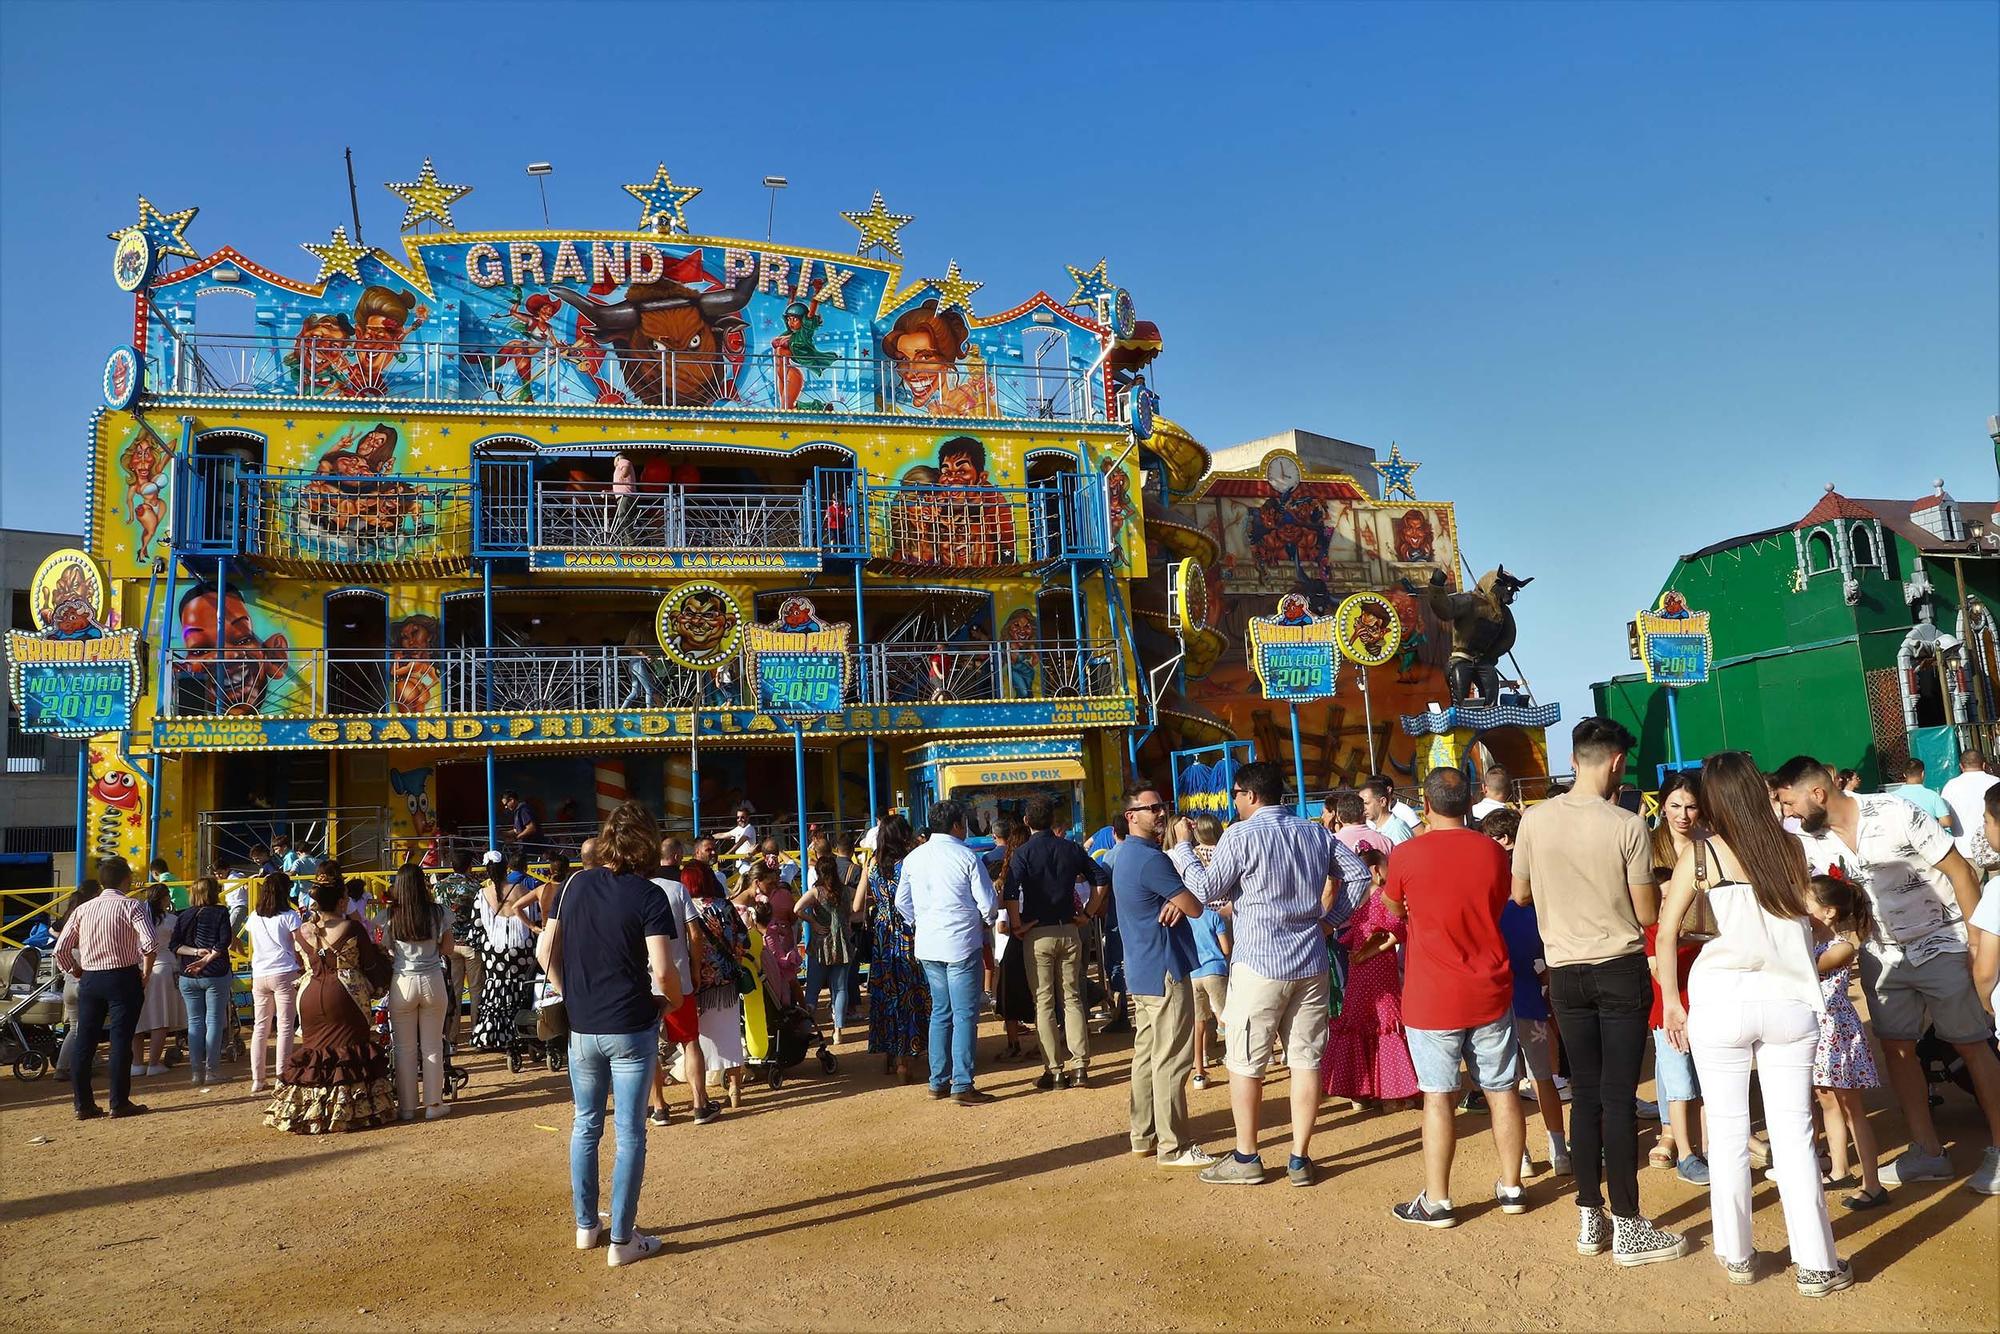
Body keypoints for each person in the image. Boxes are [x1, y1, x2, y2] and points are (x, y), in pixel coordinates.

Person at [1658, 751, 1852, 1297]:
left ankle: (1737, 1253)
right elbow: (1811, 922)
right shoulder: (1789, 849)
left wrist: (1673, 1002)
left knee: (1726, 1132)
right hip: (1789, 1001)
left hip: (1719, 1004)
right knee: (1793, 1134)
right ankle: (1818, 1264)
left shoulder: (1699, 858)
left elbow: (1668, 932)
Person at [1773, 756, 2000, 1194]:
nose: (1789, 813)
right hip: (1880, 954)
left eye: (1789, 802)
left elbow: (1959, 872)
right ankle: (1927, 1151)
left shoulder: (1896, 813)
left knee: (1971, 1044)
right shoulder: (1809, 841)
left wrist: (1974, 943)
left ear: (1817, 793)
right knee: (1897, 1049)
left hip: (1943, 943)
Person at [1512, 718, 1687, 1265]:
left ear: (1574, 758)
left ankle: (1592, 1217)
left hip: (1565, 972)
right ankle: (1630, 1224)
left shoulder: (1534, 822)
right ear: (1615, 762)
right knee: (1616, 1098)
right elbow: (1646, 911)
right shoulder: (1626, 825)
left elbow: (1519, 893)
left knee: (1584, 1096)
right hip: (1618, 968)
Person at [1171, 760, 1368, 1187]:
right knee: (1304, 1061)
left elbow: (1206, 892)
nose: (1234, 803)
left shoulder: (1240, 835)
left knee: (1246, 1062)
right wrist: (1331, 920)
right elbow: (1357, 875)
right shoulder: (1313, 831)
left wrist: (1183, 849)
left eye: (1237, 795)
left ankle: (1247, 1156)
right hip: (1310, 960)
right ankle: (1300, 1158)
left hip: (1258, 962)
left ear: (1251, 795)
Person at [538, 801, 682, 1266]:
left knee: (585, 1125)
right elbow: (662, 971)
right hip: (632, 1026)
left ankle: (586, 1226)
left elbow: (546, 950)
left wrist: (567, 993)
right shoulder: (650, 895)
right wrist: (674, 1001)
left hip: (584, 1027)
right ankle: (622, 1239)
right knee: (630, 1134)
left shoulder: (574, 885)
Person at [1386, 768, 1527, 1229]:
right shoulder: (1491, 851)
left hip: (1432, 996)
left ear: (1425, 804)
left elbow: (1391, 907)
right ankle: (1511, 1186)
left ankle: (1439, 1200)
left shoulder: (1406, 854)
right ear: (1468, 802)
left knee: (1439, 1098)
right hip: (1489, 987)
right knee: (1502, 1090)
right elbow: (1505, 899)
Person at [1112, 788, 1210, 1168]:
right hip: (1165, 968)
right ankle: (1174, 1146)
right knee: (1171, 1059)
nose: (1160, 813)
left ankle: (1144, 1135)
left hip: (1142, 968)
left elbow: (1181, 904)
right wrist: (1179, 896)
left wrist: (1175, 900)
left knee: (1147, 1056)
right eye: (1151, 808)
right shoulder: (1152, 860)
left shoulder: (1125, 855)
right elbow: (1197, 906)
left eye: (1160, 806)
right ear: (1131, 815)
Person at [265, 874, 397, 1133]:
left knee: (315, 1051)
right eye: (346, 899)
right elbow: (369, 963)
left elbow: (304, 963)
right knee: (350, 1048)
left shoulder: (303, 931)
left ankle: (308, 1112)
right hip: (346, 994)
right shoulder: (351, 929)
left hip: (310, 994)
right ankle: (351, 1111)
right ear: (339, 902)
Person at [896, 799, 1004, 1104]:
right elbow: (987, 903)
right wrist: (986, 920)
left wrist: (921, 921)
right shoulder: (966, 856)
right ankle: (962, 1083)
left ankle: (938, 1080)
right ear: (957, 825)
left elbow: (901, 903)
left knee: (941, 1013)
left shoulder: (914, 858)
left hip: (929, 945)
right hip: (961, 943)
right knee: (965, 1014)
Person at [1002, 794, 1110, 1090]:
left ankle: (1054, 1069)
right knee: (1073, 998)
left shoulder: (1023, 853)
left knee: (1044, 1002)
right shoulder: (1071, 848)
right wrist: (1087, 913)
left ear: (1026, 821)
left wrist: (1017, 925)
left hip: (1037, 932)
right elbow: (1100, 878)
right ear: (1052, 820)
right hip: (1069, 928)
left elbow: (1010, 891)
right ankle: (1080, 1066)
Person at [1487, 807, 1570, 1176]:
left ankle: (1520, 1156)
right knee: (1541, 1076)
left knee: (1504, 1083)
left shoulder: (1491, 897)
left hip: (1498, 996)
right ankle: (1559, 1150)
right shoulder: (1538, 890)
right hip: (1529, 993)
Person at [1806, 873, 1885, 1209]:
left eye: (1806, 903)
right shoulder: (1810, 940)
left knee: (1851, 1107)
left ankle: (1873, 1183)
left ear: (1829, 912)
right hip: (1818, 1029)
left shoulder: (1842, 946)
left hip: (1836, 1031)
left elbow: (1809, 968)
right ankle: (1840, 1168)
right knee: (1826, 1100)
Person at [55, 857, 156, 1119]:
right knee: (120, 1041)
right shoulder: (132, 906)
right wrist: (145, 972)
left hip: (90, 979)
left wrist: (75, 971)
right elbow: (150, 943)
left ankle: (83, 1104)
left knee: (84, 1042)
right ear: (126, 879)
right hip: (123, 977)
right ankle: (118, 1101)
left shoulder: (83, 909)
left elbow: (60, 949)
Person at [1643, 773, 1708, 1182]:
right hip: (1664, 950)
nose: (1683, 814)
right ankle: (1673, 1134)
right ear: (1662, 805)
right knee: (1673, 1045)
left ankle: (1686, 1136)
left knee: (1694, 1050)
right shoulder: (1649, 847)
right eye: (1675, 805)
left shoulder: (1709, 843)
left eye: (1691, 806)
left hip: (1704, 947)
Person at [1321, 847, 1419, 1108]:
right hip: (1379, 970)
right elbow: (1396, 932)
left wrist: (1360, 954)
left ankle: (1358, 1091)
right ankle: (1392, 1093)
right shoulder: (1384, 899)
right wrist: (1371, 952)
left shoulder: (1353, 902)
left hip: (1358, 969)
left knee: (1356, 1020)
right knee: (1385, 1022)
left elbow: (1352, 934)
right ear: (1376, 871)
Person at [862, 814, 930, 1081]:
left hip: (882, 936)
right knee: (911, 992)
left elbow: (857, 906)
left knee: (887, 992)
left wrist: (878, 900)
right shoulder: (909, 864)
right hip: (907, 934)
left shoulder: (873, 866)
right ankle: (909, 1056)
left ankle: (893, 1055)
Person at [685, 837, 750, 1112]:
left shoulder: (686, 908)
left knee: (698, 1039)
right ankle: (734, 1087)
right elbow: (744, 939)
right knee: (730, 1034)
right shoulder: (725, 906)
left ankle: (700, 1091)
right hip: (727, 981)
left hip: (699, 982)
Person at [386, 865, 454, 1122]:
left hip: (402, 982)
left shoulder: (391, 915)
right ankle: (434, 1104)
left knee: (403, 1048)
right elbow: (447, 947)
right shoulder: (438, 913)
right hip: (432, 979)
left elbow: (387, 949)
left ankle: (406, 1107)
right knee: (432, 1045)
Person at [170, 875, 236, 1089]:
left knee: (195, 1022)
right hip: (215, 972)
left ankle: (196, 1072)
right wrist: (206, 958)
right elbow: (224, 941)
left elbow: (174, 945)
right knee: (214, 1021)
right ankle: (212, 1070)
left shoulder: (183, 915)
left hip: (188, 975)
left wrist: (195, 953)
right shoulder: (221, 912)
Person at [244, 872, 303, 1095]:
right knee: (285, 1025)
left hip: (260, 973)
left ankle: (257, 1079)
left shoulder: (254, 916)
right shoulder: (291, 915)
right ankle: (282, 1075)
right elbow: (301, 945)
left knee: (261, 1027)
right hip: (285, 971)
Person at [474, 858, 540, 1050]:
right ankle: (523, 1031)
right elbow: (534, 918)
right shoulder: (522, 891)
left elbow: (477, 927)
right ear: (507, 869)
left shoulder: (482, 894)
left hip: (494, 950)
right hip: (521, 947)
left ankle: (495, 1034)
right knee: (523, 987)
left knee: (496, 989)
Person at [1187, 815, 1232, 1091]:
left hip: (1194, 969)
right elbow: (1226, 950)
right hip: (1222, 930)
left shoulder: (1193, 855)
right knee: (1225, 1012)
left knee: (1198, 1018)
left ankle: (1199, 1066)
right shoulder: (1225, 851)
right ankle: (1234, 1053)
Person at [797, 854, 856, 1046]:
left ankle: (807, 1027)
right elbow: (862, 901)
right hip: (843, 944)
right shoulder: (846, 891)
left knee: (812, 989)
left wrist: (813, 922)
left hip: (821, 944)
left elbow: (797, 908)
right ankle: (838, 1030)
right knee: (840, 988)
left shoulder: (816, 892)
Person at [434, 849, 485, 1045]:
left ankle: (452, 1037)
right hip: (472, 944)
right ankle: (477, 1034)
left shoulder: (439, 887)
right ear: (469, 866)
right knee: (476, 990)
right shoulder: (476, 887)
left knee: (453, 992)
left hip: (449, 944)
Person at [132, 882, 182, 1078]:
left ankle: (137, 1063)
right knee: (160, 1019)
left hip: (137, 968)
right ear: (163, 898)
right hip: (164, 967)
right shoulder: (171, 920)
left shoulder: (137, 919)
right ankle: (153, 1063)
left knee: (137, 1018)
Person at [1941, 749, 1999, 872]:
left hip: (1965, 850)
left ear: (1961, 766)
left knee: (1974, 889)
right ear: (1983, 765)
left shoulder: (1951, 786)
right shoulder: (1996, 782)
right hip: (1995, 849)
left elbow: (1944, 815)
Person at [1972, 785, 2000, 1015]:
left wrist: (1987, 1005)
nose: (1984, 828)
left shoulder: (1997, 891)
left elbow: (1985, 971)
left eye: (1986, 821)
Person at [1886, 757, 1958, 834]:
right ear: (1923, 774)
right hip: (1927, 841)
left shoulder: (1892, 797)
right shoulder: (1932, 795)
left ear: (1904, 774)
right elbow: (1946, 822)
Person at [1360, 776, 1415, 845]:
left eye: (1366, 803)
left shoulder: (1397, 830)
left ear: (1383, 801)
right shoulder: (1374, 828)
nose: (1363, 808)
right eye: (1361, 804)